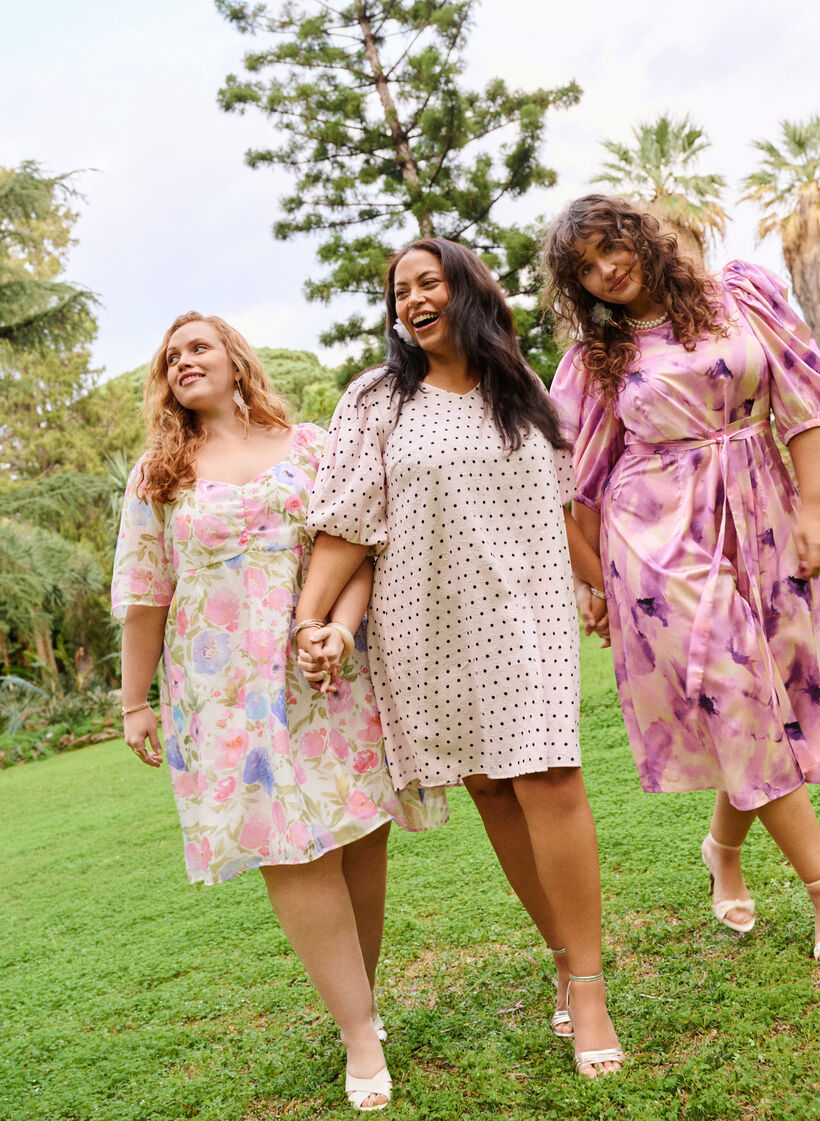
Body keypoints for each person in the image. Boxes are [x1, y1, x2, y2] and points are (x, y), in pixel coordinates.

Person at [294, 238, 626, 1079]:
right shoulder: (376, 399)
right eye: (398, 291)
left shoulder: (523, 391)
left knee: (550, 776)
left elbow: (566, 511)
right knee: (491, 788)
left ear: (466, 289)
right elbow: (347, 519)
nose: (410, 299)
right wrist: (310, 618)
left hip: (526, 615)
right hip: (424, 622)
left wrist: (613, 593)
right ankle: (561, 953)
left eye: (426, 281)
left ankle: (588, 987)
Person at [111, 311, 449, 1112]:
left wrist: (338, 625)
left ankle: (358, 1003)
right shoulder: (157, 473)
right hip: (223, 688)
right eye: (171, 355)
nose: (183, 359)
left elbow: (358, 541)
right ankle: (360, 1036)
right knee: (289, 847)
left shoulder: (308, 444)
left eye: (198, 345)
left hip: (326, 666)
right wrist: (134, 702)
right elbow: (144, 593)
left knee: (358, 832)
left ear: (234, 358)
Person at [542, 194, 820, 961]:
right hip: (659, 534)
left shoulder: (743, 294)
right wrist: (597, 583)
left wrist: (813, 510)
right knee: (733, 682)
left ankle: (722, 851)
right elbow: (568, 481)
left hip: (761, 505)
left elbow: (802, 402)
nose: (605, 271)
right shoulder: (600, 359)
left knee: (772, 693)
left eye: (611, 248)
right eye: (586, 268)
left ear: (642, 236)